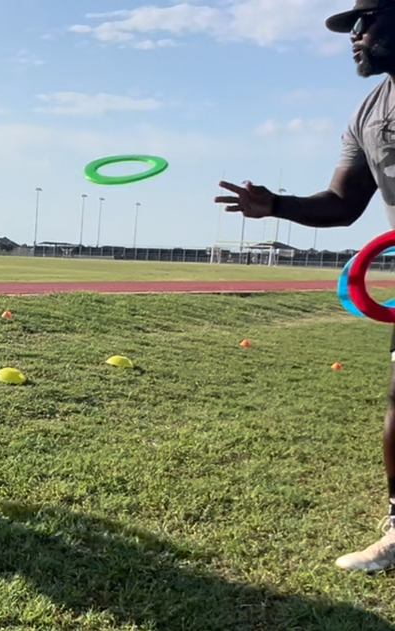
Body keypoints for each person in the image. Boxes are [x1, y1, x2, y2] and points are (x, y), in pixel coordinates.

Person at [216, 0, 395, 571]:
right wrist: (276, 205)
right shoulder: (369, 111)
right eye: (350, 26)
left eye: (366, 21)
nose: (354, 35)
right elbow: (343, 203)